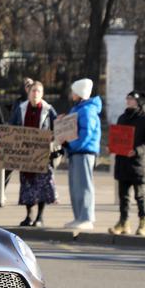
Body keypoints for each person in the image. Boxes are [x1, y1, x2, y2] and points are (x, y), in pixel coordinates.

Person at [7, 81, 58, 227]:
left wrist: (53, 142)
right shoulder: (21, 109)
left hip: (43, 155)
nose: (35, 94)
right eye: (33, 91)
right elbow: (12, 127)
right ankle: (29, 216)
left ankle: (40, 217)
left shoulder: (48, 110)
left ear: (42, 94)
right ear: (28, 93)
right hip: (25, 155)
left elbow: (57, 128)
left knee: (42, 186)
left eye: (38, 91)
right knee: (27, 186)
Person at [108, 91, 145, 236]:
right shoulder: (122, 117)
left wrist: (137, 150)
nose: (128, 101)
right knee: (123, 196)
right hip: (122, 162)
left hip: (137, 163)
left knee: (140, 195)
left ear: (138, 102)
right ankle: (123, 222)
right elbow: (117, 136)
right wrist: (112, 146)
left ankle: (144, 223)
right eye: (127, 98)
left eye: (131, 99)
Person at [64, 78, 102, 231]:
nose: (71, 94)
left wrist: (71, 144)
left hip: (84, 152)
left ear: (79, 93)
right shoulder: (79, 109)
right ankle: (79, 216)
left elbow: (86, 134)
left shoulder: (87, 110)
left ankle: (86, 217)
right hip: (76, 152)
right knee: (76, 186)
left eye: (74, 91)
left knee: (84, 185)